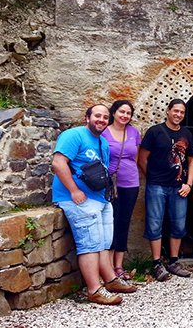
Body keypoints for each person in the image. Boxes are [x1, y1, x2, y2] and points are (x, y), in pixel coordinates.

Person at [52, 104, 136, 305]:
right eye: (97, 116)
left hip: (100, 199)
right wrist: (74, 190)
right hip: (79, 199)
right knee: (89, 245)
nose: (101, 120)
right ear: (87, 117)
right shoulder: (74, 135)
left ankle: (110, 280)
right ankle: (94, 289)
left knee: (104, 243)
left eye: (105, 117)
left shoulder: (102, 142)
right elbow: (58, 163)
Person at [138, 99, 193, 281]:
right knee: (154, 224)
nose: (178, 115)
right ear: (168, 111)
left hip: (179, 187)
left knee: (178, 224)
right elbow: (142, 158)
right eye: (176, 111)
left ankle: (173, 261)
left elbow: (192, 160)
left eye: (182, 112)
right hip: (157, 186)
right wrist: (152, 178)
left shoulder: (186, 134)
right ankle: (156, 263)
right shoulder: (154, 131)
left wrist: (189, 184)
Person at [102, 100, 141, 281]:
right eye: (121, 112)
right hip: (110, 185)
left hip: (130, 183)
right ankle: (108, 267)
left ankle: (119, 265)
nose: (125, 116)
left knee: (124, 222)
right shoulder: (104, 132)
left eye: (128, 113)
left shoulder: (134, 132)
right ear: (114, 113)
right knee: (111, 222)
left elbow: (136, 157)